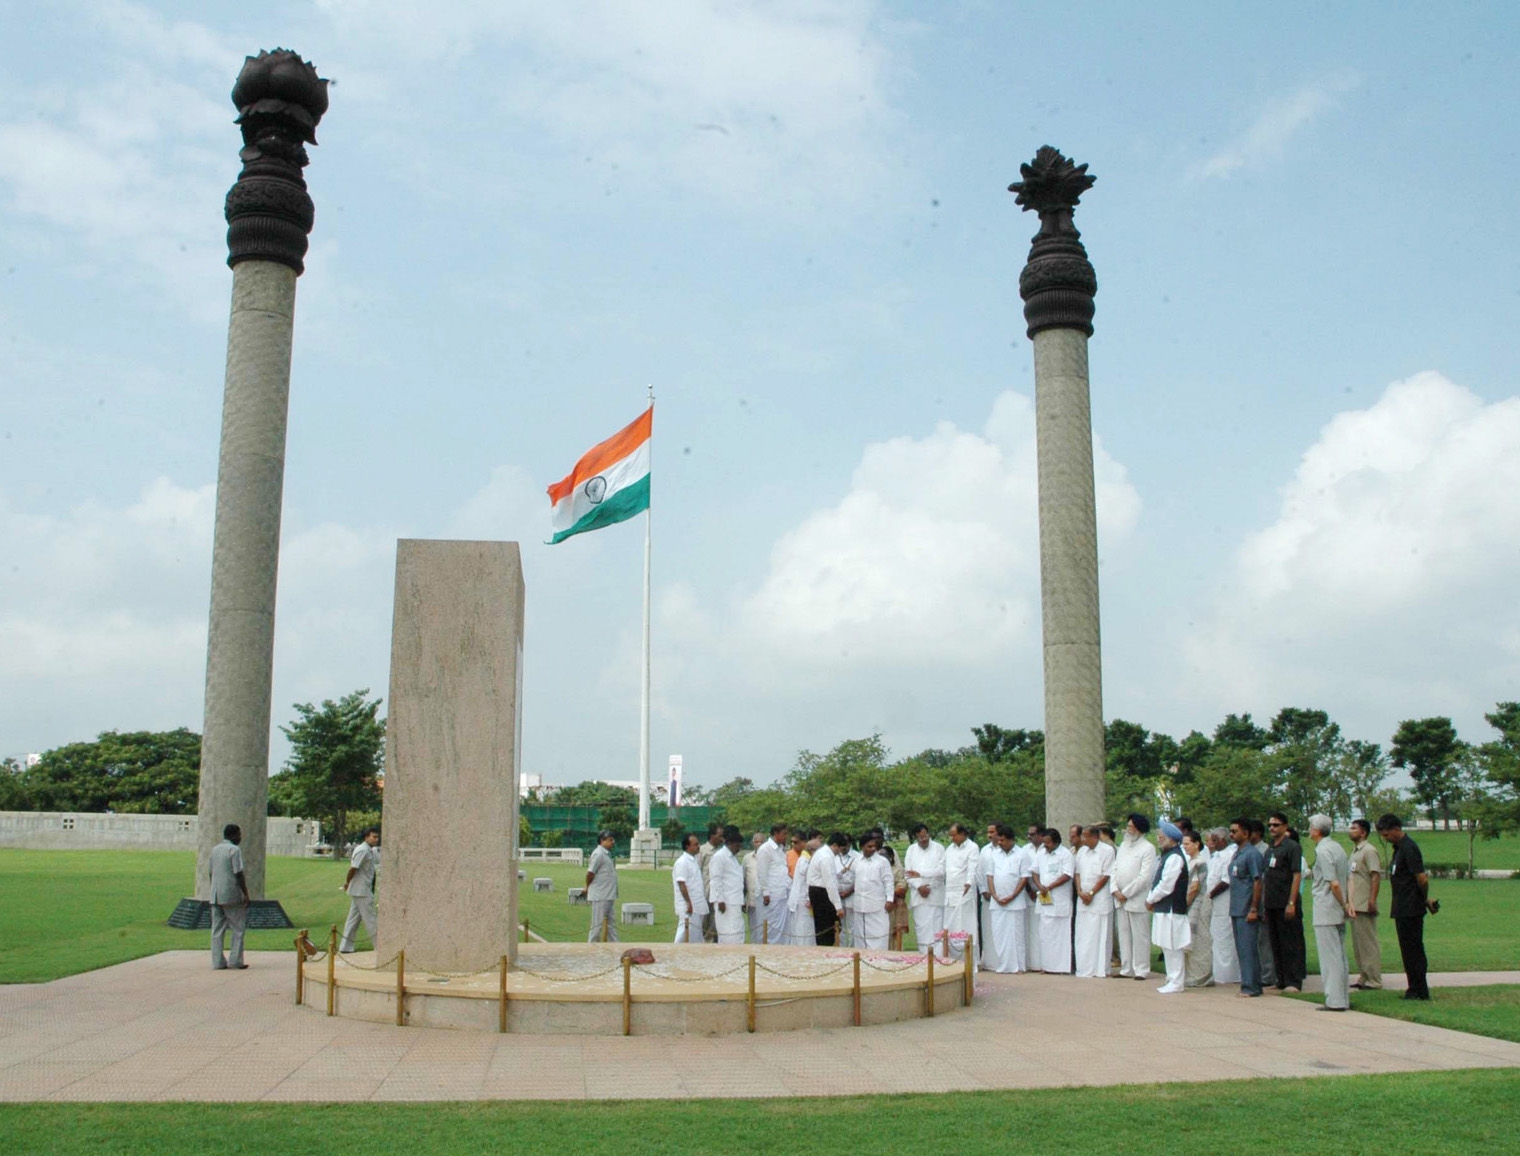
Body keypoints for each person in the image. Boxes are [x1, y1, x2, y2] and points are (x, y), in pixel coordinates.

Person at [1376, 814, 1434, 1001]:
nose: (1386, 838)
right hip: (1401, 906)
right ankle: (1413, 987)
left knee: (1414, 949)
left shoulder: (1409, 848)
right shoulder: (1398, 849)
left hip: (1411, 906)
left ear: (1396, 829)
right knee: (1407, 950)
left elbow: (1422, 878)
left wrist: (1424, 899)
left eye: (1387, 834)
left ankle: (1420, 990)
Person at [1307, 814, 1354, 1011]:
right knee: (1339, 954)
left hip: (1327, 907)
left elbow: (1333, 883)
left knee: (1330, 957)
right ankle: (1342, 997)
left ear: (1317, 830)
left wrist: (1344, 903)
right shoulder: (1337, 847)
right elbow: (1348, 878)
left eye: (1310, 827)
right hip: (1336, 907)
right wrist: (1348, 902)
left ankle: (1334, 1000)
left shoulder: (1324, 850)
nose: (1309, 830)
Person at [1145, 821, 1191, 994]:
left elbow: (1166, 885)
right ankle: (1172, 977)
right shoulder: (1168, 855)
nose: (1158, 839)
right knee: (1166, 943)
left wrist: (1150, 899)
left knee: (1173, 944)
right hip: (1164, 908)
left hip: (1172, 908)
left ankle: (1177, 980)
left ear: (1171, 838)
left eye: (1161, 837)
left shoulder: (1175, 857)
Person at [1263, 811, 1306, 992]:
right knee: (1276, 942)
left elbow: (1296, 875)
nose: (1272, 828)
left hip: (1286, 901)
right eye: (1270, 825)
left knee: (1290, 943)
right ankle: (1280, 979)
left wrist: (1291, 903)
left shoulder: (1292, 847)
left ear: (1285, 827)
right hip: (1271, 901)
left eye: (1276, 825)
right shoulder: (1270, 848)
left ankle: (1293, 981)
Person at [1111, 813, 1157, 980]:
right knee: (1123, 933)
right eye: (1128, 826)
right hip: (1119, 897)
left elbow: (1145, 877)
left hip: (1136, 897)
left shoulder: (1148, 848)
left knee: (1140, 935)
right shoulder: (1123, 846)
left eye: (1131, 827)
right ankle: (1126, 967)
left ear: (1139, 829)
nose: (1128, 829)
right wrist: (1115, 889)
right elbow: (1114, 869)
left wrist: (1127, 893)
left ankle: (1141, 969)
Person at [984, 823, 1030, 973]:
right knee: (999, 934)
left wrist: (1012, 896)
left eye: (1002, 840)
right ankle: (1003, 965)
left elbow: (1024, 878)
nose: (1000, 843)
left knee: (1015, 935)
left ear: (1011, 840)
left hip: (1015, 902)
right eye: (999, 840)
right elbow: (990, 876)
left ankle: (1018, 966)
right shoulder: (994, 854)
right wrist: (995, 896)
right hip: (997, 902)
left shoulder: (1022, 854)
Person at [1228, 818, 1265, 998]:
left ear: (1246, 833)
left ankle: (1252, 986)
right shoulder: (1237, 853)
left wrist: (1254, 908)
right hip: (1236, 907)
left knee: (1248, 948)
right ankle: (1248, 982)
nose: (1231, 834)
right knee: (1242, 948)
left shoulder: (1252, 854)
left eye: (1235, 831)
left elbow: (1258, 882)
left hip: (1246, 908)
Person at [1029, 828, 1074, 973]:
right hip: (1044, 899)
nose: (1045, 846)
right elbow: (1034, 871)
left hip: (1059, 899)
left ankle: (1060, 967)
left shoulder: (1065, 854)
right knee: (1045, 934)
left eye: (1048, 843)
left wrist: (1050, 886)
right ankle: (1047, 966)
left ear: (1056, 842)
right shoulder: (1041, 853)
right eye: (1044, 843)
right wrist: (1039, 885)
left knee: (1060, 936)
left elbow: (1067, 874)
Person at [1073, 825, 1115, 978]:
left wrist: (1091, 893)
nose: (1083, 840)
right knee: (1084, 934)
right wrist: (1079, 891)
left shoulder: (1107, 851)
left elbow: (1105, 875)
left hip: (1099, 898)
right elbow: (1077, 873)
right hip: (1083, 897)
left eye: (1086, 836)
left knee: (1100, 933)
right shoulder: (1082, 852)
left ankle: (1100, 969)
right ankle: (1084, 967)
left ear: (1095, 837)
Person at [1348, 818, 1384, 990]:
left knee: (1368, 943)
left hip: (1364, 903)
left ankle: (1374, 979)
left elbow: (1375, 875)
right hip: (1355, 904)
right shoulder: (1355, 851)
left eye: (1354, 828)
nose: (1350, 830)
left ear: (1363, 832)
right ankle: (1364, 976)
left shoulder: (1369, 851)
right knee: (1358, 944)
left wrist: (1372, 900)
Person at [209, 823, 250, 970]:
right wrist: (245, 893)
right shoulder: (234, 850)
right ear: (233, 835)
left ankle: (217, 962)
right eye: (239, 834)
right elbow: (238, 873)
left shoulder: (215, 850)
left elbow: (211, 872)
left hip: (215, 894)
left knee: (217, 930)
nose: (240, 838)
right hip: (231, 893)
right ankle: (235, 960)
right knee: (238, 928)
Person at [1204, 827, 1240, 984]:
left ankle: (1228, 976)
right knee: (1216, 939)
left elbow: (1226, 880)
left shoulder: (1229, 855)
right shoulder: (1215, 856)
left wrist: (1210, 894)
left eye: (1214, 840)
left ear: (1223, 840)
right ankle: (1218, 973)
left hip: (1224, 903)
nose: (1211, 844)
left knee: (1225, 940)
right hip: (1215, 905)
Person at [904, 823, 946, 952]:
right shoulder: (911, 850)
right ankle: (924, 957)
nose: (924, 839)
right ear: (916, 837)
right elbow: (908, 874)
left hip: (935, 894)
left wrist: (929, 885)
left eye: (925, 836)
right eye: (920, 837)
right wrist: (919, 887)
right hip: (919, 896)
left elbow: (941, 870)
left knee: (936, 928)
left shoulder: (939, 848)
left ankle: (938, 958)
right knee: (921, 927)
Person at [339, 826, 381, 952]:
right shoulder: (362, 850)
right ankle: (380, 946)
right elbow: (353, 868)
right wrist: (347, 882)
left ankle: (345, 947)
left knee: (353, 920)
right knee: (371, 919)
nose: (376, 839)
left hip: (362, 889)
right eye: (374, 837)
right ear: (366, 837)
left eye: (377, 837)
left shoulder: (370, 850)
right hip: (362, 891)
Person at [851, 833, 896, 949]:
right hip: (860, 905)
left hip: (877, 905)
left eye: (874, 846)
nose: (873, 849)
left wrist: (890, 899)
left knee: (879, 935)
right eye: (869, 846)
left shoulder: (882, 862)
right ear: (862, 847)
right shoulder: (856, 861)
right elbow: (851, 880)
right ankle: (862, 960)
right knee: (860, 936)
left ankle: (878, 960)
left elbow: (888, 882)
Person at [1181, 830, 1213, 987]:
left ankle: (1201, 975)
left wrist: (1185, 903)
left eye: (1187, 844)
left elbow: (1195, 887)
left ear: (1196, 844)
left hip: (1198, 905)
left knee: (1199, 940)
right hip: (1192, 904)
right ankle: (1190, 973)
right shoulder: (1190, 862)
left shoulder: (1199, 862)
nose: (1184, 847)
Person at [807, 832, 850, 945]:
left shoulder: (821, 853)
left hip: (817, 891)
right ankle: (826, 951)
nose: (839, 853)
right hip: (822, 893)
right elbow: (830, 884)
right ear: (835, 845)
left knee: (823, 926)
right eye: (839, 850)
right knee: (827, 927)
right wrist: (838, 907)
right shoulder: (826, 856)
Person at [943, 823, 980, 955]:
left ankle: (969, 962)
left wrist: (969, 883)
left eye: (955, 835)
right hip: (950, 893)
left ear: (963, 834)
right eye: (951, 836)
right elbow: (942, 869)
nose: (952, 838)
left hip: (964, 892)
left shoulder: (972, 847)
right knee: (951, 926)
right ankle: (952, 961)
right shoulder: (949, 849)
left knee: (966, 926)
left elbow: (972, 868)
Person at [1248, 819, 1277, 987]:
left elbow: (1263, 880)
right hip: (1253, 900)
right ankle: (1260, 972)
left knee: (1265, 941)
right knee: (1256, 940)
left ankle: (1268, 975)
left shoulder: (1264, 851)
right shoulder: (1250, 850)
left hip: (1262, 901)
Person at [708, 826, 746, 944]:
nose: (738, 849)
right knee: (728, 933)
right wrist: (720, 900)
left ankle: (736, 956)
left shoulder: (733, 859)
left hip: (735, 900)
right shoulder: (719, 857)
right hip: (725, 902)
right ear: (729, 843)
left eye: (740, 846)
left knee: (737, 931)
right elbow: (716, 880)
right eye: (736, 846)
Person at [755, 823, 791, 945]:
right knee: (770, 927)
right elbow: (762, 873)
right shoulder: (765, 849)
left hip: (781, 894)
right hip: (770, 897)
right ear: (776, 834)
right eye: (784, 834)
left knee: (782, 928)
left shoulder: (781, 849)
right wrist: (766, 893)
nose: (786, 836)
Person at [672, 832, 709, 943]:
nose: (698, 846)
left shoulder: (694, 861)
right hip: (689, 905)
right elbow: (681, 884)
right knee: (684, 932)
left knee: (696, 933)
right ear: (688, 846)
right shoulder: (682, 862)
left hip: (697, 903)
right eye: (695, 844)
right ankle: (675, 952)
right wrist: (688, 903)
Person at [585, 830, 619, 942]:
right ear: (602, 841)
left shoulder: (606, 854)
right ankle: (592, 947)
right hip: (600, 895)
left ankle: (616, 946)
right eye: (610, 840)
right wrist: (587, 887)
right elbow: (590, 873)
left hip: (609, 895)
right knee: (597, 925)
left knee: (611, 925)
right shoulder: (598, 854)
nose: (612, 842)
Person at [787, 830, 818, 945]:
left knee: (805, 934)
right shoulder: (803, 859)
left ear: (805, 843)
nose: (793, 845)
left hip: (805, 902)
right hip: (798, 902)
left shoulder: (808, 859)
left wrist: (811, 899)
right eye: (792, 843)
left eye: (796, 842)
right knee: (798, 934)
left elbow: (811, 882)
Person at [1024, 824, 1045, 972]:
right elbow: (1024, 873)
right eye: (1028, 834)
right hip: (1029, 893)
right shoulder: (1025, 850)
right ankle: (1031, 963)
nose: (1029, 837)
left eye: (1032, 834)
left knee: (1043, 928)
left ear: (1040, 835)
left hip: (1047, 892)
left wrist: (1041, 889)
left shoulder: (1047, 848)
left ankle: (1044, 963)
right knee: (1030, 929)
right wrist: (1030, 889)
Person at [698, 823, 723, 943]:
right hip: (705, 891)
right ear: (712, 836)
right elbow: (697, 870)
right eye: (719, 836)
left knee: (715, 920)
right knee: (704, 920)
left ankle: (713, 941)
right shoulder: (703, 850)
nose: (721, 838)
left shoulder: (722, 851)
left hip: (717, 892)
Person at [883, 844, 911, 950]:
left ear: (891, 856)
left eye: (884, 855)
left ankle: (896, 954)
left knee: (895, 932)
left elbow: (902, 887)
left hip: (894, 905)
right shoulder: (878, 867)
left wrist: (888, 894)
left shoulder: (898, 869)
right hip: (880, 905)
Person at [743, 832, 765, 942]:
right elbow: (743, 879)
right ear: (753, 843)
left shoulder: (768, 857)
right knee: (753, 930)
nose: (759, 844)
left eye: (761, 842)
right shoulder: (747, 858)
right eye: (756, 842)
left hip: (766, 902)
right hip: (752, 901)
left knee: (765, 929)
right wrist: (743, 899)